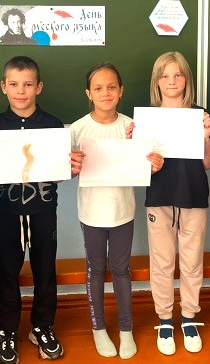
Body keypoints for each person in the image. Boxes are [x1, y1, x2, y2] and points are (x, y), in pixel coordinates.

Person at [0, 56, 81, 364]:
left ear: (39, 87)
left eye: (27, 84)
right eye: (14, 84)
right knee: (6, 272)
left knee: (45, 270)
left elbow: (59, 172)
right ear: (3, 87)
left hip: (43, 211)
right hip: (7, 213)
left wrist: (68, 170)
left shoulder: (53, 125)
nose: (20, 91)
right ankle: (6, 331)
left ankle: (42, 326)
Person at [70, 62, 163, 360]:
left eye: (111, 87)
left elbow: (147, 163)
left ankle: (126, 329)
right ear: (88, 93)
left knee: (122, 271)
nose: (105, 93)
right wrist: (71, 166)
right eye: (98, 88)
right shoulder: (77, 129)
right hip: (91, 214)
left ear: (121, 91)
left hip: (123, 212)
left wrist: (153, 163)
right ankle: (98, 328)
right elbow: (67, 170)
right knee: (95, 270)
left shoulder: (133, 127)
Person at [141, 52, 210, 355]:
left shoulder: (199, 114)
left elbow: (208, 163)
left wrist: (206, 136)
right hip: (159, 197)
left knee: (192, 260)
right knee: (162, 262)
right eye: (165, 76)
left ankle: (189, 317)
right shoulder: (147, 118)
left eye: (178, 75)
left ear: (187, 79)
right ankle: (165, 319)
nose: (172, 81)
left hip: (193, 196)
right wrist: (138, 149)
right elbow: (139, 166)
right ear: (157, 81)